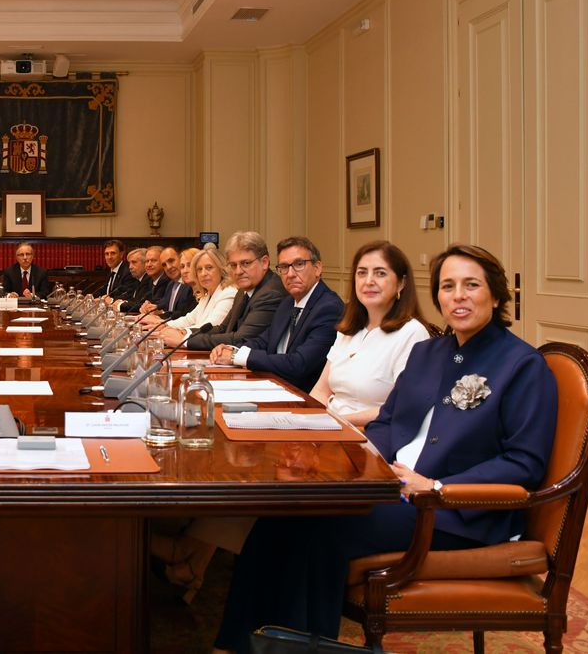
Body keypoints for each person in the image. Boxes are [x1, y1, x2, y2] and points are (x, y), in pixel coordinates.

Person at [212, 244, 558, 653]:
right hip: (390, 485)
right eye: (448, 286)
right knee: (284, 514)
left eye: (471, 285)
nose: (458, 296)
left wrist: (437, 485)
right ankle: (238, 643)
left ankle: (301, 647)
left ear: (496, 295)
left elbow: (524, 463)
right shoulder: (429, 351)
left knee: (323, 530)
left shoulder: (522, 364)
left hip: (453, 510)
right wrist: (359, 466)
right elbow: (389, 421)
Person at [310, 241, 429, 427]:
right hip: (331, 428)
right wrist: (307, 423)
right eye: (362, 273)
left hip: (371, 435)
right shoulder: (349, 329)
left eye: (380, 273)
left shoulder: (412, 333)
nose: (369, 281)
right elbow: (321, 390)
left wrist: (337, 421)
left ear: (401, 283)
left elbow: (401, 407)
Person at [210, 236, 343, 393]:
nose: (291, 274)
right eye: (284, 267)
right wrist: (231, 349)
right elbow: (263, 341)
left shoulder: (329, 307)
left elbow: (299, 364)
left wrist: (237, 357)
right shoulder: (288, 302)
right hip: (274, 387)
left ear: (317, 268)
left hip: (303, 398)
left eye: (299, 264)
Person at [188, 231, 287, 350]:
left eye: (245, 263)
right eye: (233, 265)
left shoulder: (270, 293)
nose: (238, 271)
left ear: (264, 262)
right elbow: (222, 329)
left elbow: (242, 339)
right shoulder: (243, 290)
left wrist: (186, 341)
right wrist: (186, 334)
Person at [152, 248, 237, 347]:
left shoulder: (228, 293)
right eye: (199, 269)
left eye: (209, 267)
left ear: (221, 269)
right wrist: (164, 326)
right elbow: (189, 319)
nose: (203, 273)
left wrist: (181, 332)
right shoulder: (207, 295)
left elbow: (210, 327)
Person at [120, 246, 168, 313]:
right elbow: (142, 303)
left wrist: (120, 305)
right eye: (147, 261)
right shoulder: (151, 281)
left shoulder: (166, 281)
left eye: (153, 261)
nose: (149, 264)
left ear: (163, 263)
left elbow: (156, 305)